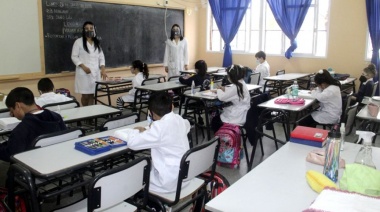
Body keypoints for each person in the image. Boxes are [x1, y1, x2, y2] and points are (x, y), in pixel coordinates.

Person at [114, 91, 190, 193]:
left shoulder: (159, 128)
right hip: (185, 176)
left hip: (168, 183)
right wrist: (151, 129)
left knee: (132, 177)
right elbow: (187, 125)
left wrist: (136, 130)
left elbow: (133, 143)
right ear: (172, 106)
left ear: (151, 113)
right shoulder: (179, 119)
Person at [0, 87, 67, 162]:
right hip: (59, 159)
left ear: (18, 105)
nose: (12, 114)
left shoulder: (22, 129)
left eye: (12, 111)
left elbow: (11, 154)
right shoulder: (56, 116)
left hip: (34, 167)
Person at [71, 21, 107, 107]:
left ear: (94, 30)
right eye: (86, 28)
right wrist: (83, 67)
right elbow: (74, 56)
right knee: (85, 95)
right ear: (83, 30)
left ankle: (91, 115)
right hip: (84, 73)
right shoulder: (78, 42)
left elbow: (101, 57)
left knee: (92, 94)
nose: (89, 30)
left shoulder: (97, 43)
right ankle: (85, 112)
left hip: (95, 73)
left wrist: (103, 70)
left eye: (91, 28)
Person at [211, 65, 251, 132]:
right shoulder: (241, 83)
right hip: (244, 112)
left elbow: (222, 97)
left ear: (232, 77)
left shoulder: (236, 87)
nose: (228, 78)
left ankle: (221, 137)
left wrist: (218, 90)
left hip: (238, 115)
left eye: (228, 76)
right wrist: (224, 88)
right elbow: (232, 91)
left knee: (215, 121)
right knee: (222, 113)